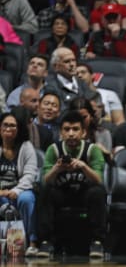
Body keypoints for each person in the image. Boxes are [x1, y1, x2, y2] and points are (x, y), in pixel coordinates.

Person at [36, 110, 107, 259]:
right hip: (62, 195)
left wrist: (83, 167)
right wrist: (57, 169)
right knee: (45, 190)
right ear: (61, 132)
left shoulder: (92, 150)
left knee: (98, 192)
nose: (71, 133)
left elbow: (99, 180)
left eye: (75, 129)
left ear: (83, 132)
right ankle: (45, 241)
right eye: (66, 129)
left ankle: (97, 242)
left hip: (84, 195)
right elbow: (45, 180)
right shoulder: (54, 150)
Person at [0, 112, 39, 257]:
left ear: (19, 129)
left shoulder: (26, 147)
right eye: (5, 125)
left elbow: (30, 175)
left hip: (21, 190)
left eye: (12, 125)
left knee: (27, 199)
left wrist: (16, 190)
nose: (8, 128)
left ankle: (33, 243)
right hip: (1, 192)